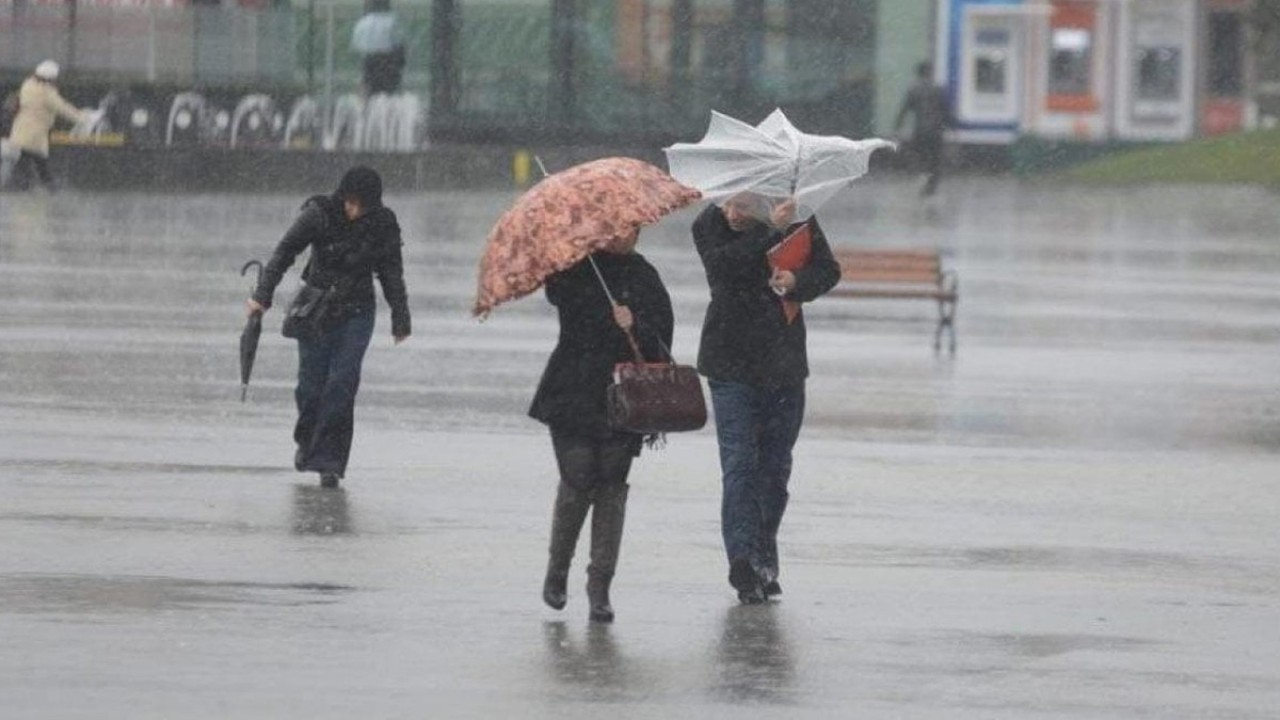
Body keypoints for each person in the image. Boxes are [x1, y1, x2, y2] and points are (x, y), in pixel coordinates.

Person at [692, 193, 840, 604]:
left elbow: (828, 270)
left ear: (761, 200)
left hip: (783, 364)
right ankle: (741, 560)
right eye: (728, 205)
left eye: (742, 207)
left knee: (774, 471)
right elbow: (725, 268)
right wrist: (770, 232)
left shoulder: (798, 219)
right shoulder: (708, 224)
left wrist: (798, 282)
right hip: (729, 364)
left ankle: (762, 558)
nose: (733, 214)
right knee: (739, 463)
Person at [530, 231, 674, 623]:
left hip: (623, 396)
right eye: (619, 228)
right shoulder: (575, 267)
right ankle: (558, 571)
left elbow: (662, 338)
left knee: (611, 486)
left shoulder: (644, 274)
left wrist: (635, 324)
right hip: (572, 389)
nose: (627, 236)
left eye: (634, 229)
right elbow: (559, 296)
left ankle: (600, 585)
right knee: (577, 478)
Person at [246, 167, 411, 489]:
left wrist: (400, 317)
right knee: (310, 387)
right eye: (350, 203)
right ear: (342, 197)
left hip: (358, 312)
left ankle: (330, 462)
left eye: (361, 205)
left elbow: (392, 272)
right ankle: (307, 441)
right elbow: (285, 251)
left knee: (342, 384)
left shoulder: (383, 224)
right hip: (315, 310)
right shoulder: (318, 213)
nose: (354, 211)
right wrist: (262, 295)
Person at [4, 60, 87, 192]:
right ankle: (44, 187)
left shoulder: (28, 85)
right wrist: (81, 118)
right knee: (36, 161)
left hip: (21, 128)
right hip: (35, 134)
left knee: (31, 160)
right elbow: (63, 108)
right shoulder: (47, 93)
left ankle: (31, 186)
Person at [894, 60, 951, 197]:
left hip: (920, 130)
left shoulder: (914, 90)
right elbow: (946, 110)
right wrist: (951, 126)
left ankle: (923, 176)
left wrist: (897, 126)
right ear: (930, 73)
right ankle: (932, 183)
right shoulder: (938, 89)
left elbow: (905, 109)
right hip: (936, 130)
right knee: (935, 158)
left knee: (921, 155)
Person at [351, 0, 407, 96]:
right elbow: (399, 44)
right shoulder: (392, 21)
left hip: (368, 62)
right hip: (387, 62)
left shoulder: (362, 22)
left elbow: (356, 46)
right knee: (387, 93)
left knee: (370, 91)